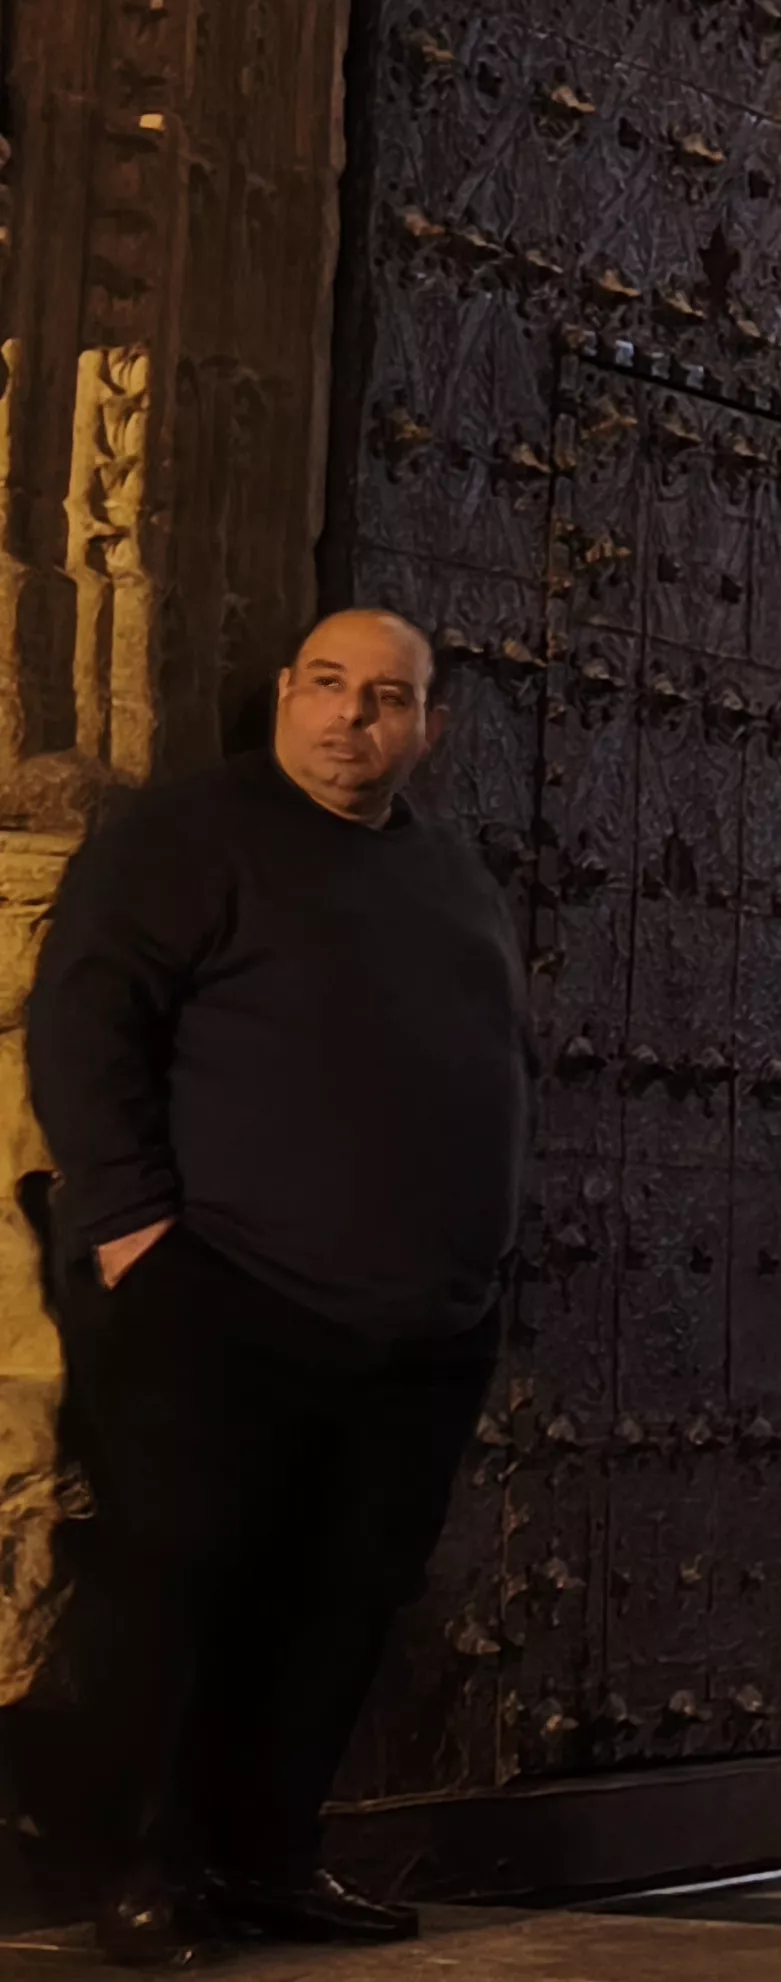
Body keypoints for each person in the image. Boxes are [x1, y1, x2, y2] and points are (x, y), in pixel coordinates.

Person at [25, 610, 527, 1964]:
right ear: (283, 696)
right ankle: (144, 1863)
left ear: (430, 725)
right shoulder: (187, 834)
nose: (351, 716)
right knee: (180, 1587)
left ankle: (268, 1855)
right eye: (326, 684)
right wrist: (133, 1229)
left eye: (386, 696)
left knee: (341, 1599)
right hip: (220, 1301)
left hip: (416, 1330)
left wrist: (472, 1275)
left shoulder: (446, 865)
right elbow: (87, 1018)